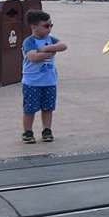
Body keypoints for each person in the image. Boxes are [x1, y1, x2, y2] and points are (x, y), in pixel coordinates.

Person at [21, 10, 66, 143]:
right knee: (30, 109)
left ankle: (47, 129)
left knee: (48, 108)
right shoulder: (29, 41)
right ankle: (28, 131)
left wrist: (46, 49)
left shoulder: (50, 40)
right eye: (46, 26)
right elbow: (33, 57)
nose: (49, 28)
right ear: (34, 27)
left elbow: (63, 46)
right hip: (32, 82)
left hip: (49, 81)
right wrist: (50, 53)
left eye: (51, 25)